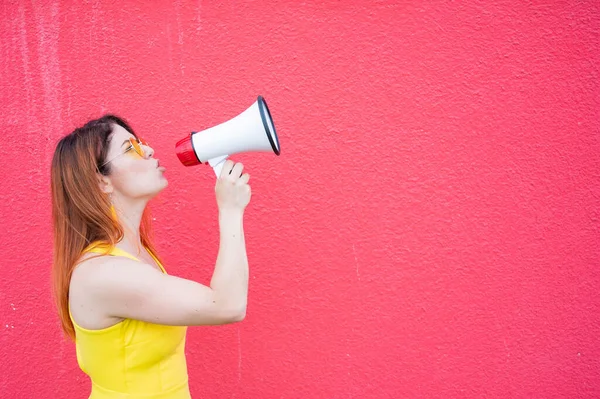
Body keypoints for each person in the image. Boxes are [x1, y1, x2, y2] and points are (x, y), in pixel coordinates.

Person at [50, 115, 251, 399]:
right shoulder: (103, 273)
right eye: (131, 147)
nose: (149, 150)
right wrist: (231, 211)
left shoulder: (134, 255)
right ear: (101, 182)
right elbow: (228, 306)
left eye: (141, 142)